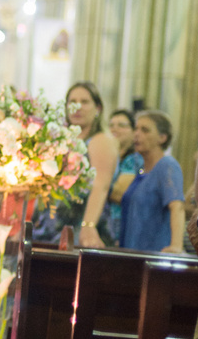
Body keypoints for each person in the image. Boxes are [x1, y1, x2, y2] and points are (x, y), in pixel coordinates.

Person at [120, 110, 185, 253]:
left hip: (155, 256)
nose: (136, 134)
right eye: (136, 129)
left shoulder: (167, 165)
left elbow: (177, 206)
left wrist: (176, 246)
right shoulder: (141, 171)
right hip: (132, 254)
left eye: (145, 130)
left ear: (162, 137)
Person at [62, 81, 118, 247]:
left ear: (98, 109)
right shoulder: (64, 141)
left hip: (84, 224)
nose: (77, 107)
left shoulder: (100, 140)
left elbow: (100, 184)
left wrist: (88, 226)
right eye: (72, 102)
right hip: (58, 223)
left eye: (84, 102)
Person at [105, 108, 143, 243]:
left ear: (134, 132)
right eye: (111, 125)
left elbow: (119, 194)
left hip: (119, 226)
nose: (114, 129)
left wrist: (92, 183)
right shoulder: (109, 156)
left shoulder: (134, 159)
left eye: (122, 125)